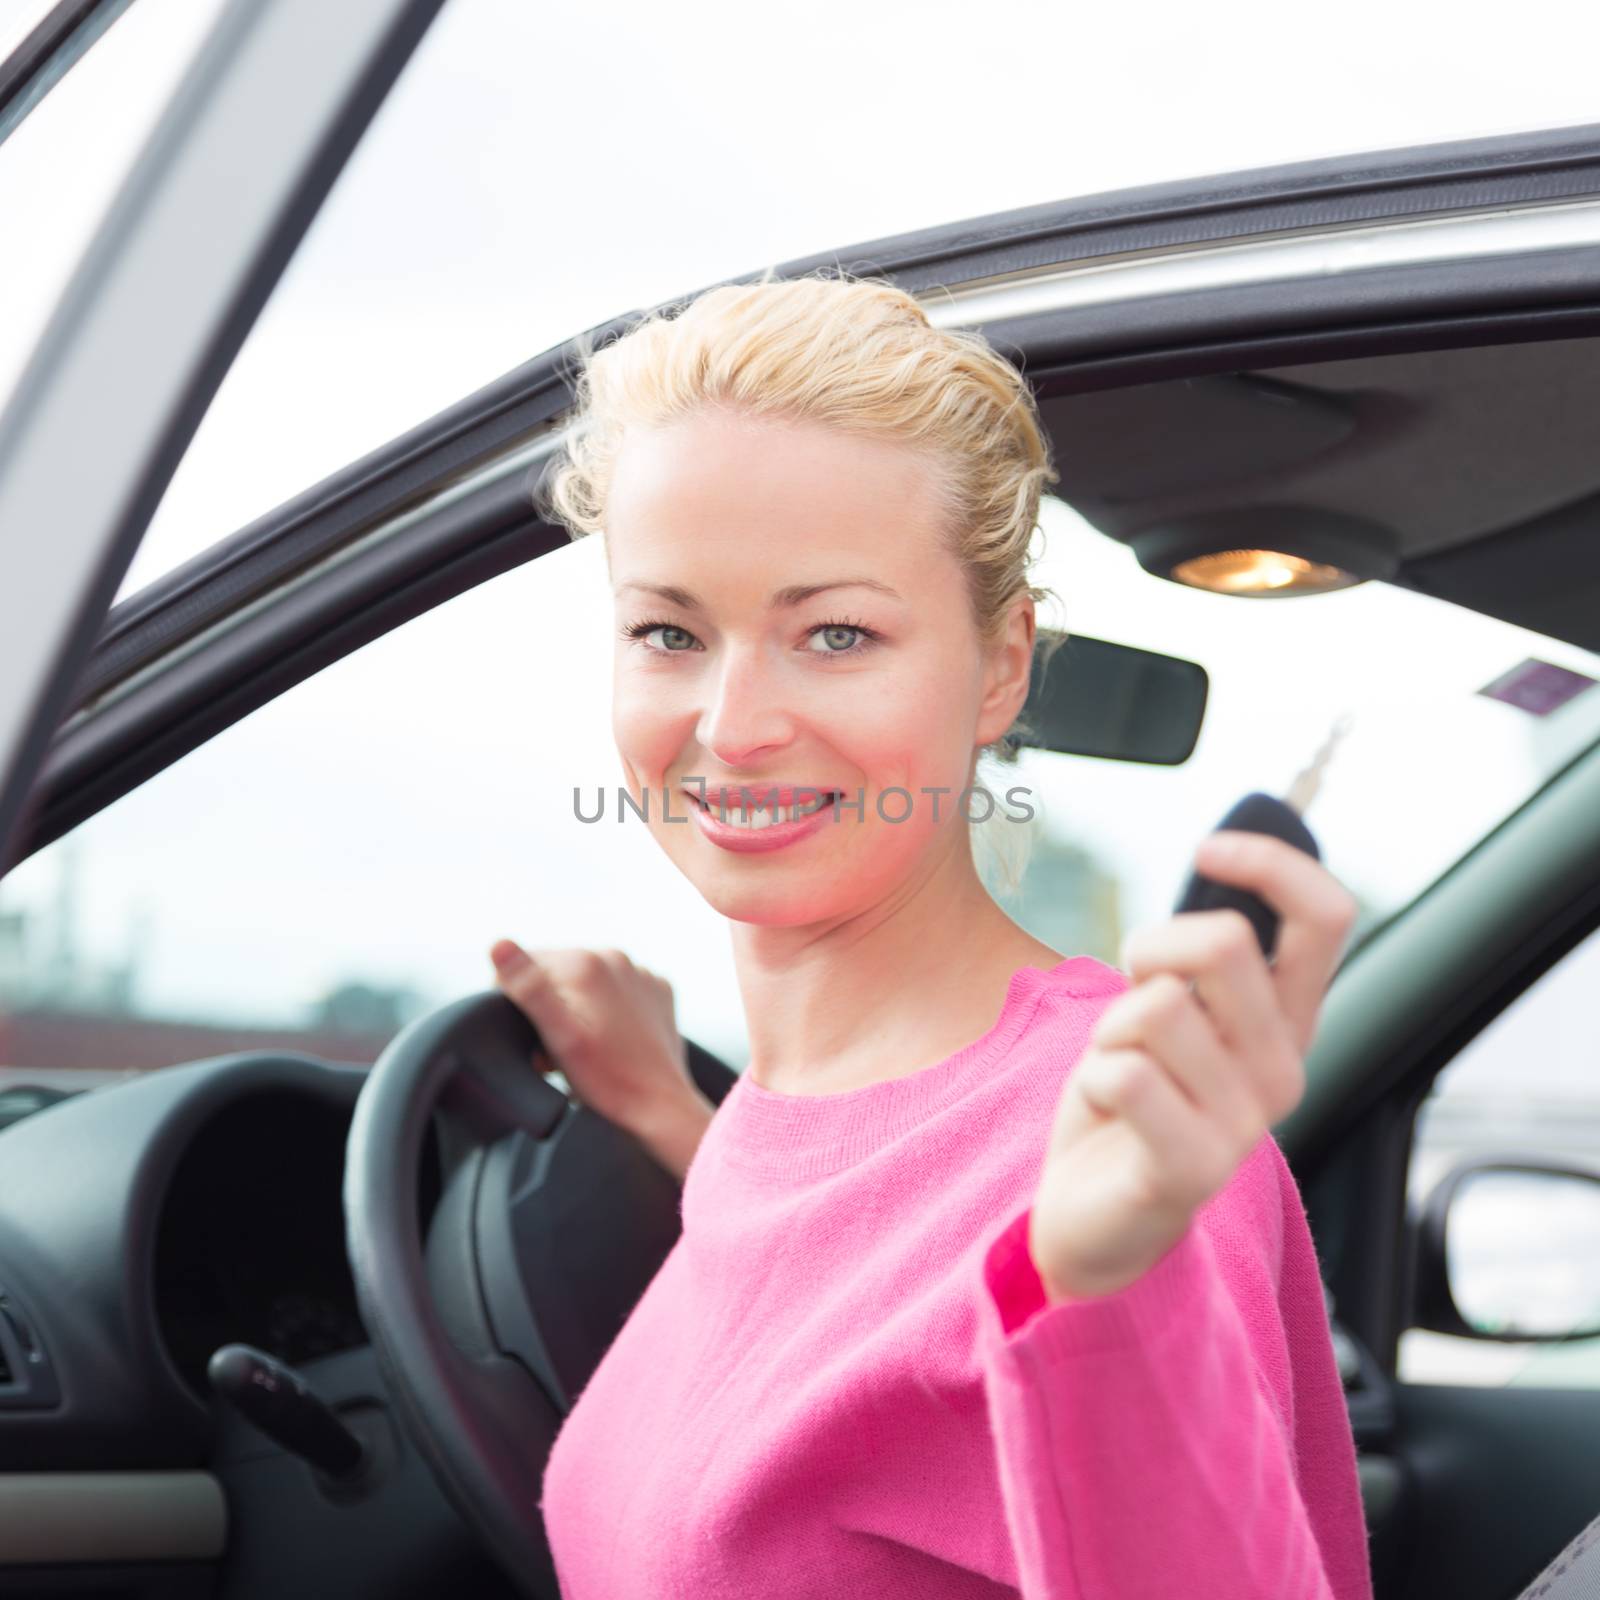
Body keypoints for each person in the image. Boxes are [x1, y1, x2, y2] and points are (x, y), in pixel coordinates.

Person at [486, 269, 1374, 1599]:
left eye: (835, 633)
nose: (734, 725)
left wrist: (1104, 1283)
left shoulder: (1119, 1154)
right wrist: (674, 1115)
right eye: (670, 630)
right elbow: (855, 1319)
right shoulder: (783, 1110)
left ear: (1002, 666)